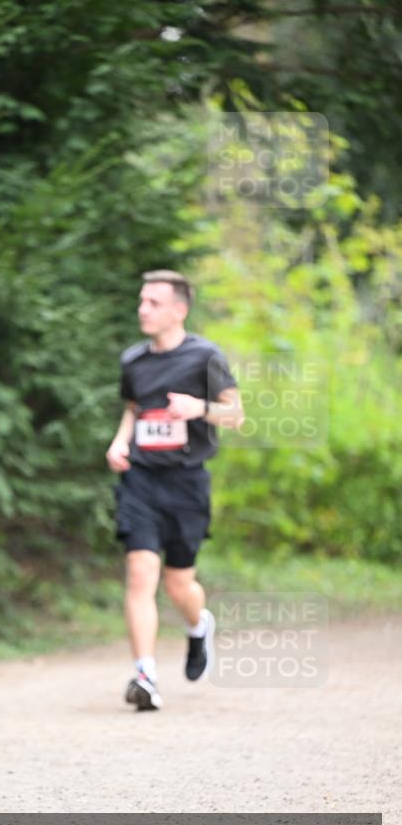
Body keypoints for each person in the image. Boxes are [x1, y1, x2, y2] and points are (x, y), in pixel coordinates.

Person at [106, 270, 243, 711]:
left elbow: (235, 413)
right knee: (140, 572)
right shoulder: (133, 360)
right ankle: (144, 674)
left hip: (187, 482)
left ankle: (198, 625)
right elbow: (134, 409)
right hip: (141, 480)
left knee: (179, 584)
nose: (142, 309)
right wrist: (120, 439)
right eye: (142, 301)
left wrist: (198, 408)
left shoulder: (205, 356)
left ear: (178, 311)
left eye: (153, 303)